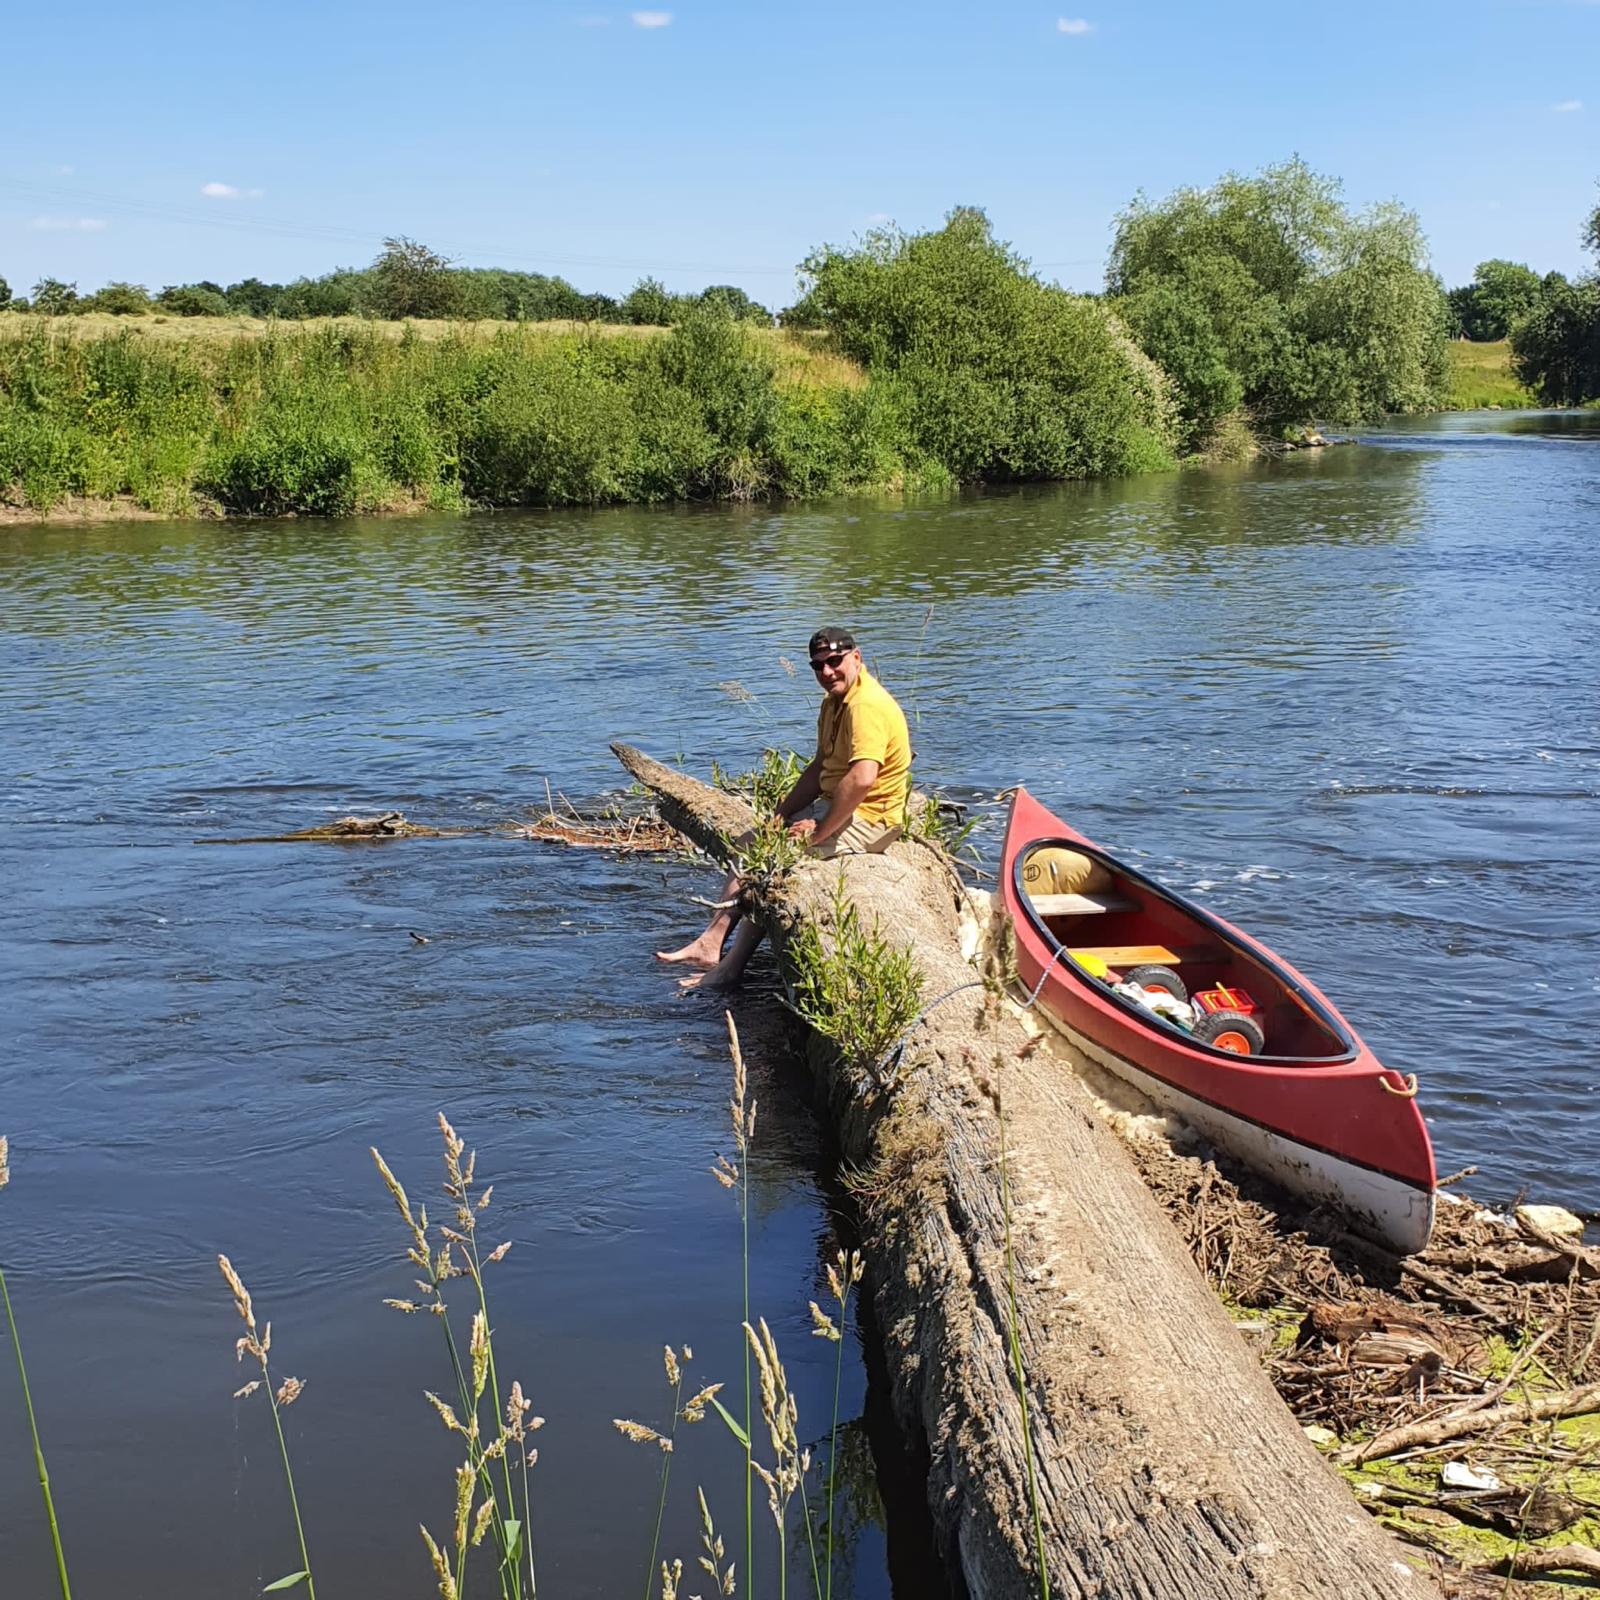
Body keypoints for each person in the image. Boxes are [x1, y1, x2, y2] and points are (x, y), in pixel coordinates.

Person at [656, 627, 911, 990]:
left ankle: (727, 967)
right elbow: (820, 767)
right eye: (818, 666)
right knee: (751, 842)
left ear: (856, 657)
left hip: (872, 818)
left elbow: (863, 779)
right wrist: (781, 813)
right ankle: (710, 944)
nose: (827, 672)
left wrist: (818, 834)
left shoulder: (865, 705)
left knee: (776, 861)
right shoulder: (835, 702)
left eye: (835, 662)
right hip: (838, 805)